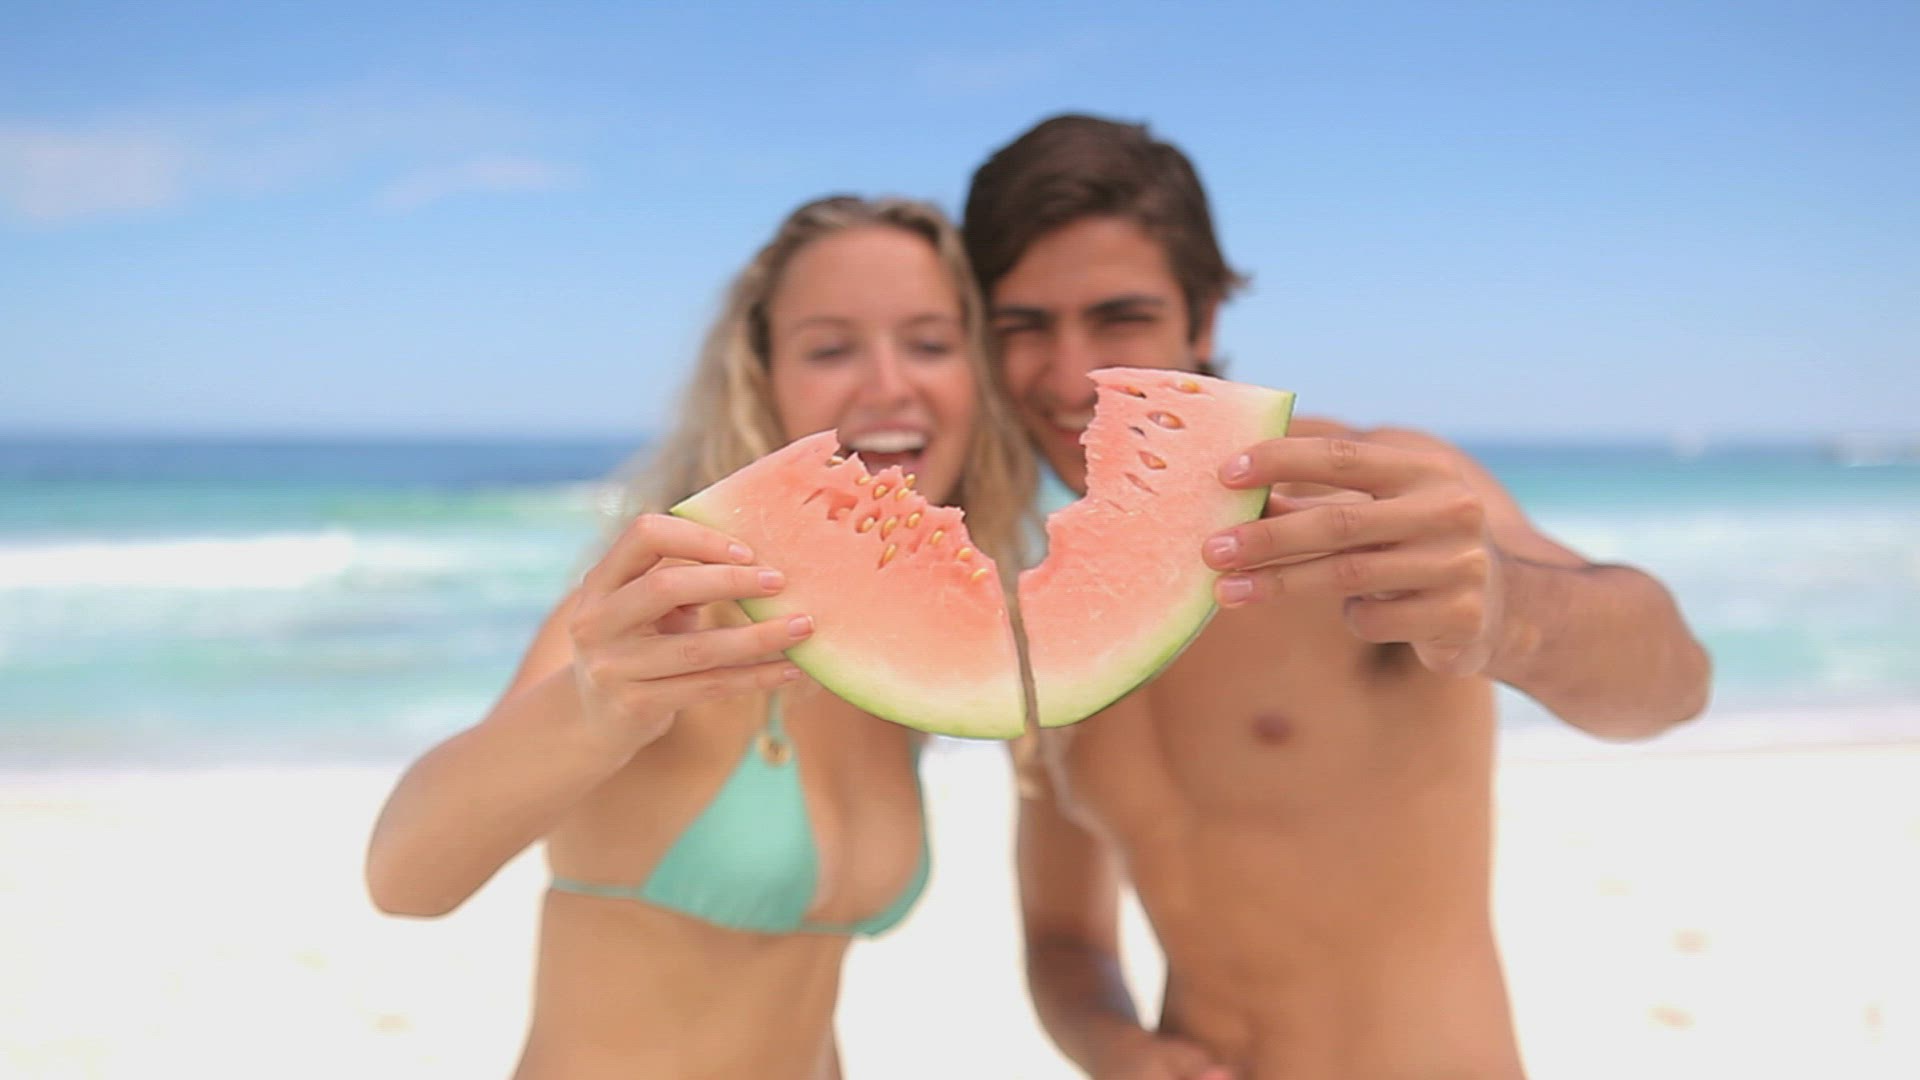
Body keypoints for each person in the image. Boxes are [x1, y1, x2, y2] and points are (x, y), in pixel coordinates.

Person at [964, 115, 1713, 1079]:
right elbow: (1063, 936)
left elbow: (1673, 684)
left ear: (1202, 321)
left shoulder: (1355, 497)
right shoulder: (1044, 618)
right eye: (1023, 327)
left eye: (1120, 318)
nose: (1072, 374)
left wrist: (1511, 611)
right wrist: (1111, 1046)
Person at [364, 195, 1033, 1079]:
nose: (888, 384)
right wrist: (594, 709)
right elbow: (404, 878)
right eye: (830, 349)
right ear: (762, 377)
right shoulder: (663, 613)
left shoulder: (905, 657)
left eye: (931, 343)